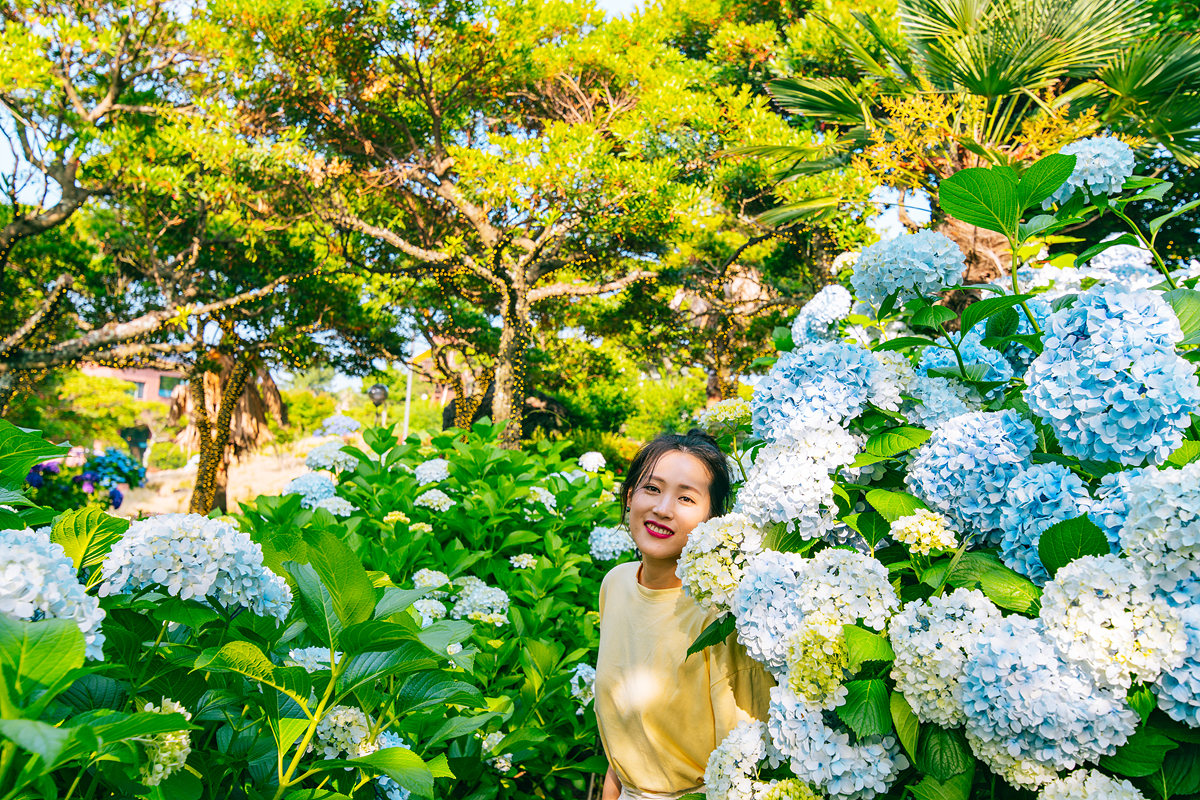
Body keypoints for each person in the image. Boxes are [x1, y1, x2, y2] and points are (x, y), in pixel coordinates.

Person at [596, 429, 774, 800]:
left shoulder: (721, 619)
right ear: (630, 496)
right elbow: (628, 730)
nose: (663, 508)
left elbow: (748, 764)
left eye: (686, 498)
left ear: (713, 518)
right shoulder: (617, 584)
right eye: (652, 489)